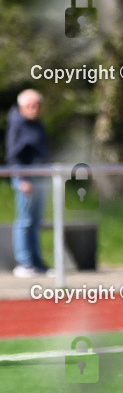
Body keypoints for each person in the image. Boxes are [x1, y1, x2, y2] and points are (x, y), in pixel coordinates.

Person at [6, 89, 50, 278]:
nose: (34, 109)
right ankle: (24, 262)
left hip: (39, 178)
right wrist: (22, 179)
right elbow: (13, 155)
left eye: (37, 106)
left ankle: (37, 263)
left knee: (36, 222)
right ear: (22, 107)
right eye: (30, 106)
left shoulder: (37, 125)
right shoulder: (17, 125)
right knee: (24, 221)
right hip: (26, 179)